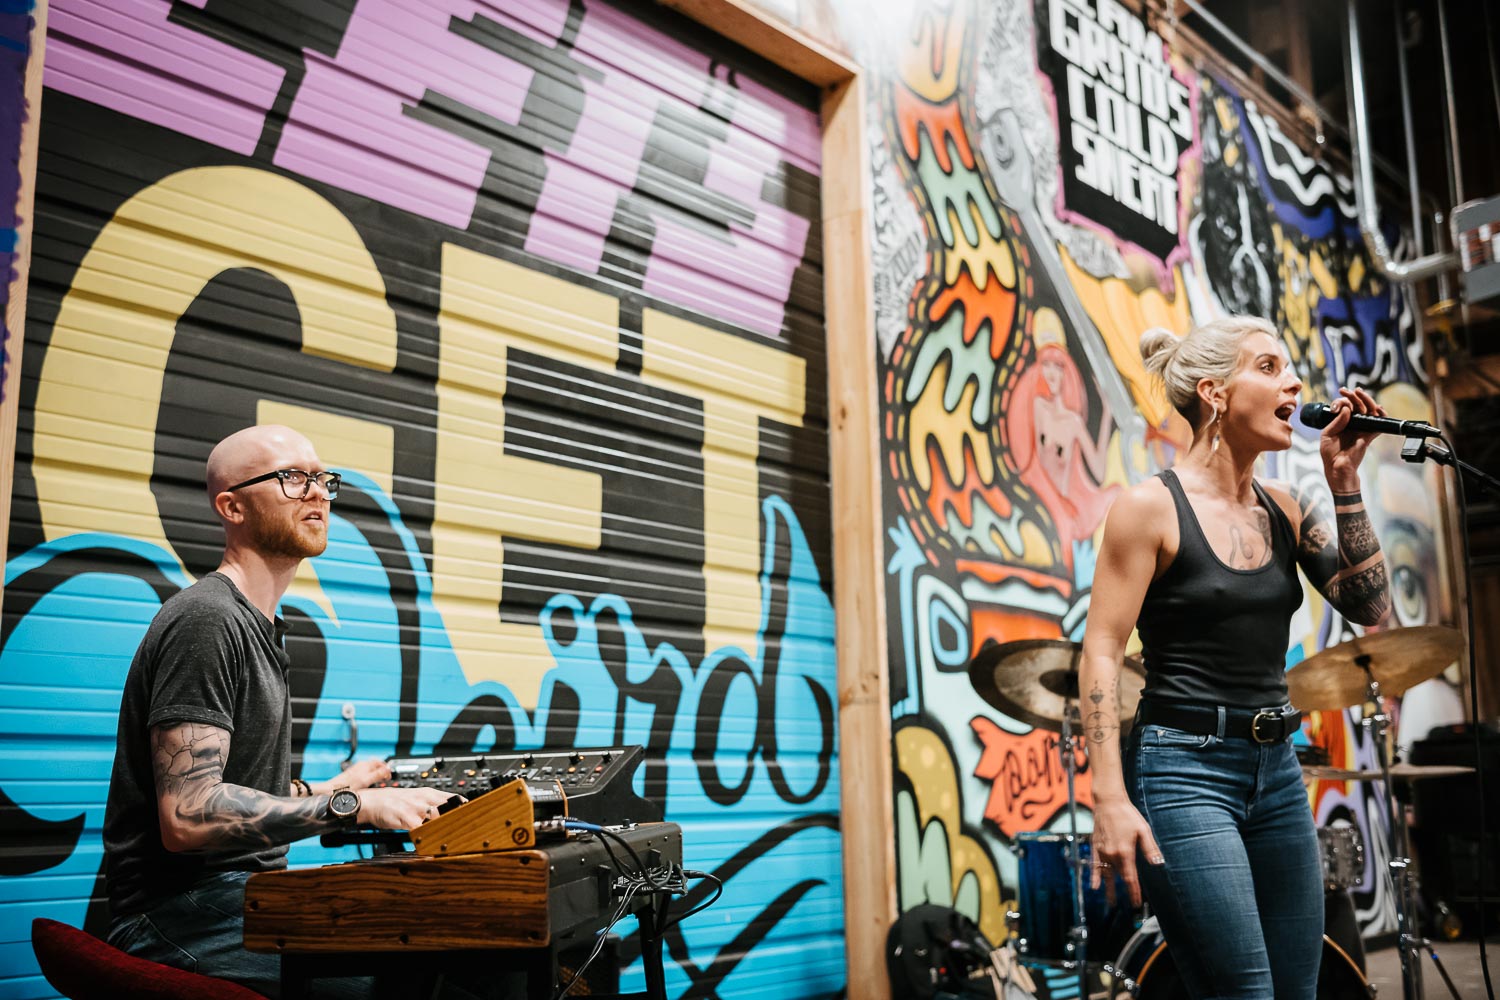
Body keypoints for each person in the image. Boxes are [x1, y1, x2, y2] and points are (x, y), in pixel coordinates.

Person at [1080, 317, 1391, 999]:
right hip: (1181, 770)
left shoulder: (1284, 507)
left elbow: (1369, 607)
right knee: (1243, 991)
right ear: (1216, 392)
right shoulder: (1149, 508)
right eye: (1270, 366)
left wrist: (1344, 481)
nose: (1295, 383)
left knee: (1296, 990)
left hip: (1276, 772)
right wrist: (1106, 794)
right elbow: (1101, 649)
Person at [102, 425, 456, 998]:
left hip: (233, 896)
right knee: (412, 981)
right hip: (176, 912)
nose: (316, 492)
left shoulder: (260, 626)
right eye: (292, 478)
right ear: (231, 506)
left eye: (321, 478)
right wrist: (354, 805)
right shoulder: (209, 620)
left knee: (447, 952)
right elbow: (188, 815)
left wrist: (327, 785)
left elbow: (231, 792)